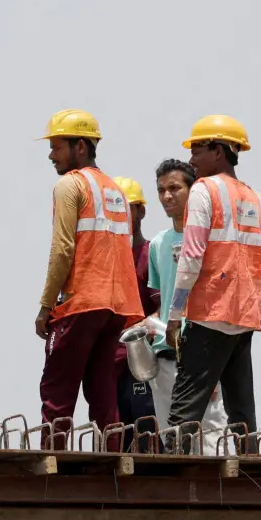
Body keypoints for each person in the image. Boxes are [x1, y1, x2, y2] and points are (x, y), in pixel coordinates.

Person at [35, 110, 142, 449]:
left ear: (80, 146)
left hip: (82, 302)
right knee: (102, 390)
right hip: (115, 306)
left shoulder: (70, 185)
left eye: (57, 146)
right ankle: (114, 459)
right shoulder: (116, 191)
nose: (51, 154)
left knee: (57, 389)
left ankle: (50, 460)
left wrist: (45, 305)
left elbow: (63, 249)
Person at [166, 116, 261, 454]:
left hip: (210, 311)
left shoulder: (204, 190)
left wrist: (174, 314)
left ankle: (168, 480)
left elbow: (192, 257)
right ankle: (250, 471)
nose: (192, 159)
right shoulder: (259, 200)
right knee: (241, 409)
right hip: (245, 313)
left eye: (198, 149)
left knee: (185, 407)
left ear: (220, 151)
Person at [146, 159, 228, 452]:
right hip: (165, 354)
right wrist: (148, 324)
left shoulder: (211, 240)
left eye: (175, 188)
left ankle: (218, 496)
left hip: (201, 349)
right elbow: (163, 300)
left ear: (193, 191)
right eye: (161, 190)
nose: (167, 196)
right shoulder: (157, 244)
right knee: (172, 436)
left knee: (210, 432)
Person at [111, 177, 161, 451]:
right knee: (113, 429)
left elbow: (164, 306)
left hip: (141, 361)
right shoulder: (106, 258)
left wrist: (142, 328)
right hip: (109, 361)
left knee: (145, 425)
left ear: (141, 211)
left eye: (127, 208)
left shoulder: (150, 253)